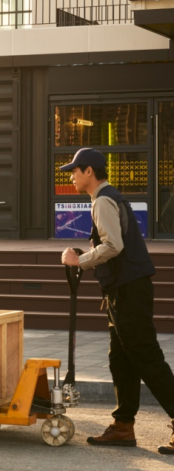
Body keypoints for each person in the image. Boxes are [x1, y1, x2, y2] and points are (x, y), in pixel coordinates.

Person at [60, 148, 174, 455]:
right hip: (122, 291)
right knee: (120, 359)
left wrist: (80, 260)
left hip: (129, 292)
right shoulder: (106, 198)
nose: (71, 176)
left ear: (89, 172)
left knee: (147, 358)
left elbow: (113, 245)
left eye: (74, 171)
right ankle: (123, 426)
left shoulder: (104, 200)